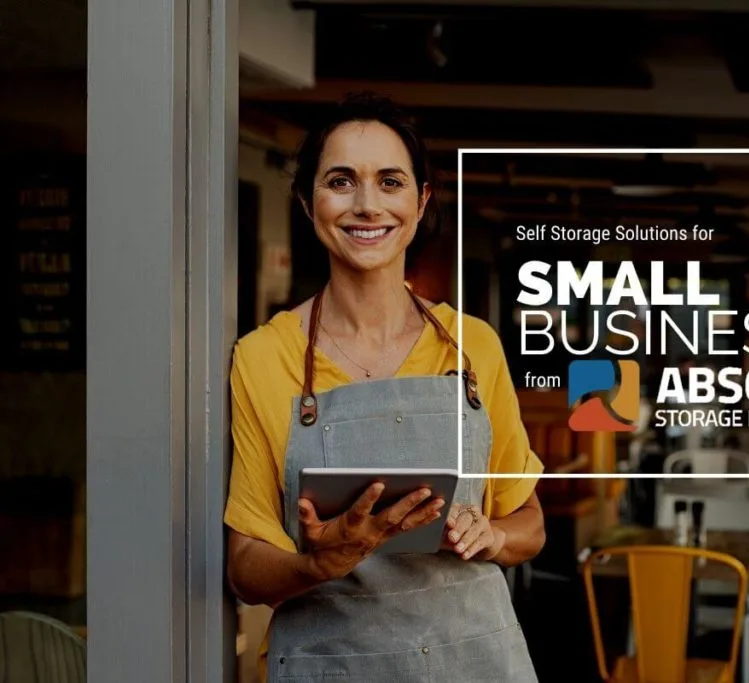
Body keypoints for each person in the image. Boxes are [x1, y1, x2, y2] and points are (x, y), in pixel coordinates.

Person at [224, 93, 545, 682]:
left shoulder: (472, 346)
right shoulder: (264, 358)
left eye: (390, 182)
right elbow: (245, 565)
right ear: (306, 200)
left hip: (475, 664)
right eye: (341, 181)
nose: (367, 205)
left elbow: (529, 521)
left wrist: (492, 534)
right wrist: (320, 560)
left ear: (420, 202)